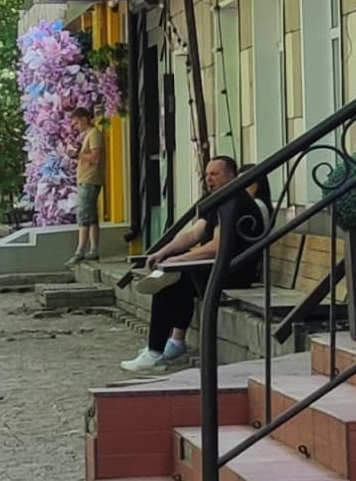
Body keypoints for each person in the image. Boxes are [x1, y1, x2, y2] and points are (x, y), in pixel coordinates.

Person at [119, 154, 268, 376]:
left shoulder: (235, 201)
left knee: (170, 280)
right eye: (206, 174)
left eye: (215, 174)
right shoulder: (216, 199)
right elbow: (193, 233)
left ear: (231, 176)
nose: (209, 179)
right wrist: (164, 252)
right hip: (217, 267)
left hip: (235, 271)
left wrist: (179, 260)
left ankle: (154, 352)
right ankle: (173, 344)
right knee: (173, 278)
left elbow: (216, 246)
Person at [69, 124, 106, 264]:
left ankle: (80, 250)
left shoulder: (94, 134)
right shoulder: (88, 135)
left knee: (84, 215)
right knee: (91, 216)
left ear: (84, 119)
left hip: (90, 179)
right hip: (86, 179)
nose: (76, 126)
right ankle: (93, 250)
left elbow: (95, 158)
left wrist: (78, 155)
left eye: (77, 122)